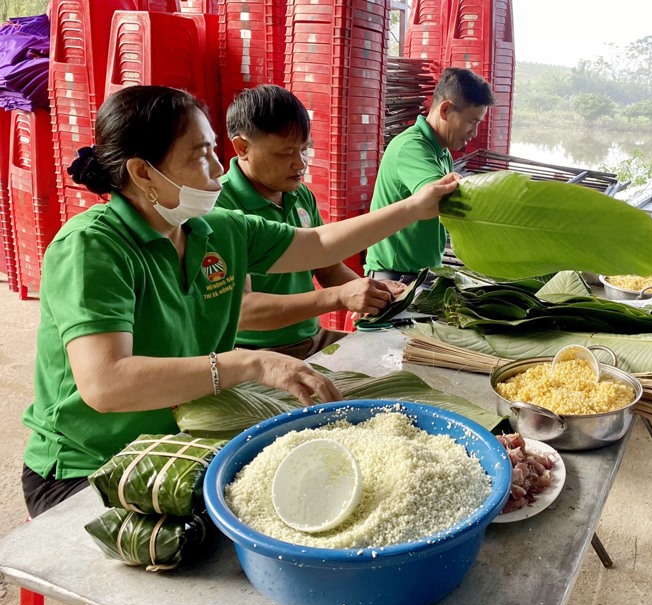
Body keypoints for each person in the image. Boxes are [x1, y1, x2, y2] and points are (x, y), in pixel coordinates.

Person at [21, 85, 458, 519]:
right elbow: (106, 384)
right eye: (199, 155)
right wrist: (251, 363)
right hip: (91, 465)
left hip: (182, 436)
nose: (216, 167)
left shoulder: (217, 228)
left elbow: (320, 243)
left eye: (212, 150)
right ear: (143, 173)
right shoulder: (92, 247)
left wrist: (415, 208)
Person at [217, 84, 405, 358]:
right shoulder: (221, 207)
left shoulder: (299, 194)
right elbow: (243, 311)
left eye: (304, 149)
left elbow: (327, 268)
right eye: (285, 153)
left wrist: (370, 292)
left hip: (311, 338)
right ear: (242, 147)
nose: (300, 164)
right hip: (253, 354)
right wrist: (339, 297)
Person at [364, 67, 495, 282]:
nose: (474, 132)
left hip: (420, 277)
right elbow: (445, 200)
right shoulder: (411, 147)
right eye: (472, 121)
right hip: (394, 280)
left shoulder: (442, 153)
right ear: (445, 110)